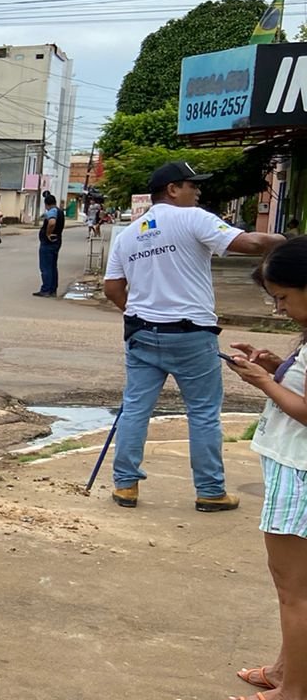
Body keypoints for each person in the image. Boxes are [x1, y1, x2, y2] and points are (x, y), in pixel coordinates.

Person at [101, 160, 285, 511]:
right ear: (172, 189)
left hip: (142, 333)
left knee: (135, 410)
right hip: (191, 335)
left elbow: (113, 288)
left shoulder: (129, 234)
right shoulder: (195, 218)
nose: (198, 191)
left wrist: (140, 313)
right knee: (202, 412)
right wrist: (287, 240)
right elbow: (250, 243)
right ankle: (210, 491)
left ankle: (125, 486)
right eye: (192, 185)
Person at [218, 237, 307, 700]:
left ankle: (295, 699)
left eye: (284, 297)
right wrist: (278, 367)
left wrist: (265, 382)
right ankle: (285, 671)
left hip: (301, 471)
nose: (279, 307)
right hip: (292, 466)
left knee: (295, 589)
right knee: (292, 586)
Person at [34, 191, 63, 296]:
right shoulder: (59, 211)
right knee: (52, 266)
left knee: (46, 267)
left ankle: (46, 289)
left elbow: (52, 222)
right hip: (56, 241)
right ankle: (52, 289)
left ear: (46, 204)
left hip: (49, 243)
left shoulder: (52, 211)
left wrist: (48, 233)